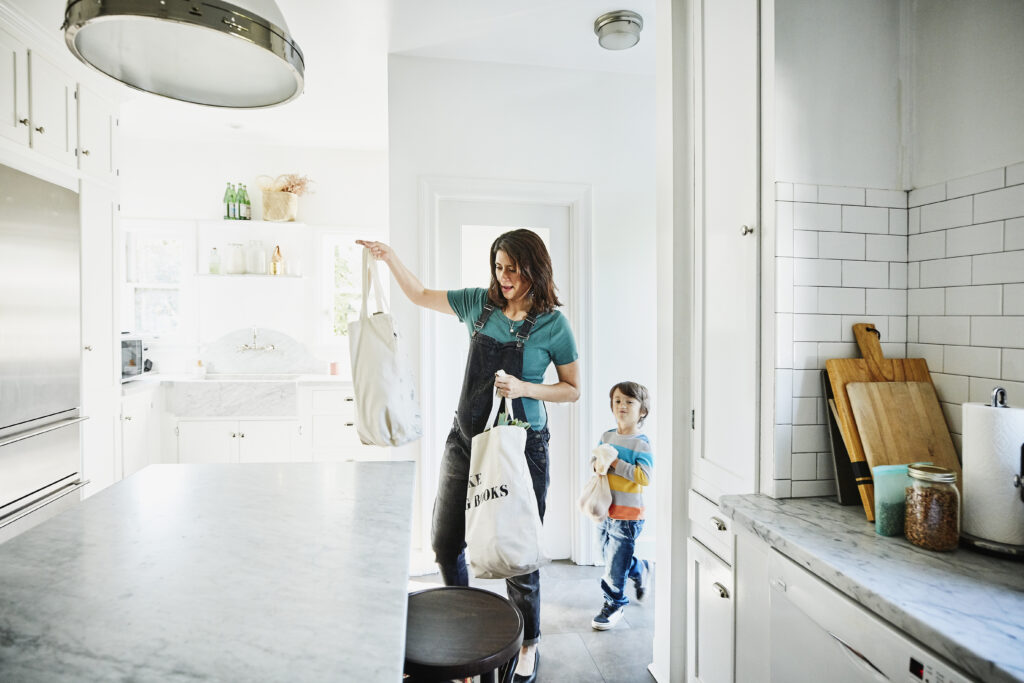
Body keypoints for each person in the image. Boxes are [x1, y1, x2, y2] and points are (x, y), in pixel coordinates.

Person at [356, 230, 579, 683]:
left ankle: (529, 641)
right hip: (465, 442)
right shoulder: (479, 304)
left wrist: (525, 388)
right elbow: (418, 295)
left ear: (535, 268)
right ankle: (465, 630)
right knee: (444, 542)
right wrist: (390, 258)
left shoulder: (553, 325)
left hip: (522, 448)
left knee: (519, 553)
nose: (505, 277)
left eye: (514, 268)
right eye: (499, 267)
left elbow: (572, 389)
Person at [590, 381, 653, 631]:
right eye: (617, 401)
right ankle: (640, 568)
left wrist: (616, 464)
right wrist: (597, 464)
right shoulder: (607, 436)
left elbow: (644, 477)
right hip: (605, 509)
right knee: (606, 555)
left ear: (642, 411)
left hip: (628, 515)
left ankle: (614, 603)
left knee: (615, 566)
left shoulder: (641, 443)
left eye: (629, 401)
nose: (622, 406)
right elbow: (595, 461)